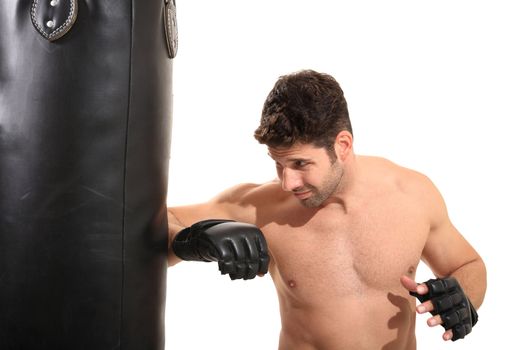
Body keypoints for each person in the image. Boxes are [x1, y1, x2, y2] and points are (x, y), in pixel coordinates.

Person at [167, 70, 487, 349]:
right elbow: (156, 224)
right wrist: (195, 239)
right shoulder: (262, 208)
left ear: (342, 145)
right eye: (278, 164)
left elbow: (468, 264)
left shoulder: (412, 195)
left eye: (300, 163)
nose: (287, 182)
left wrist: (464, 297)